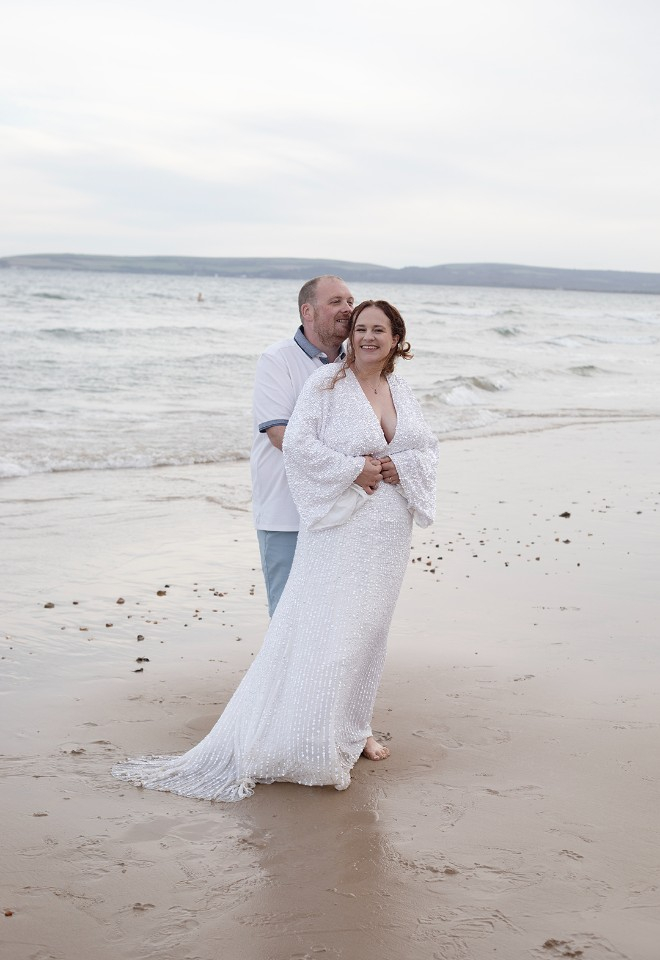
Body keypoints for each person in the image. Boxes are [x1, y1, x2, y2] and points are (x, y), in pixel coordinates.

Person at [112, 300, 438, 802]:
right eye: (360, 328)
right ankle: (310, 744)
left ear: (397, 338)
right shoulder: (326, 384)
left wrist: (402, 468)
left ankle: (352, 732)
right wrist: (354, 469)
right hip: (341, 529)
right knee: (332, 634)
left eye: (379, 329)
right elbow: (300, 447)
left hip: (388, 535)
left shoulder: (401, 388)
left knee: (369, 635)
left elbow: (425, 447)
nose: (368, 336)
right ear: (349, 335)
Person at [251, 275, 355, 616]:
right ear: (307, 311)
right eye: (336, 302)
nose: (348, 309)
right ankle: (282, 671)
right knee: (286, 614)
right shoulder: (277, 359)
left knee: (331, 611)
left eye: (350, 302)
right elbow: (280, 435)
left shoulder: (356, 362)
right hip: (286, 511)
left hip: (340, 509)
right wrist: (353, 468)